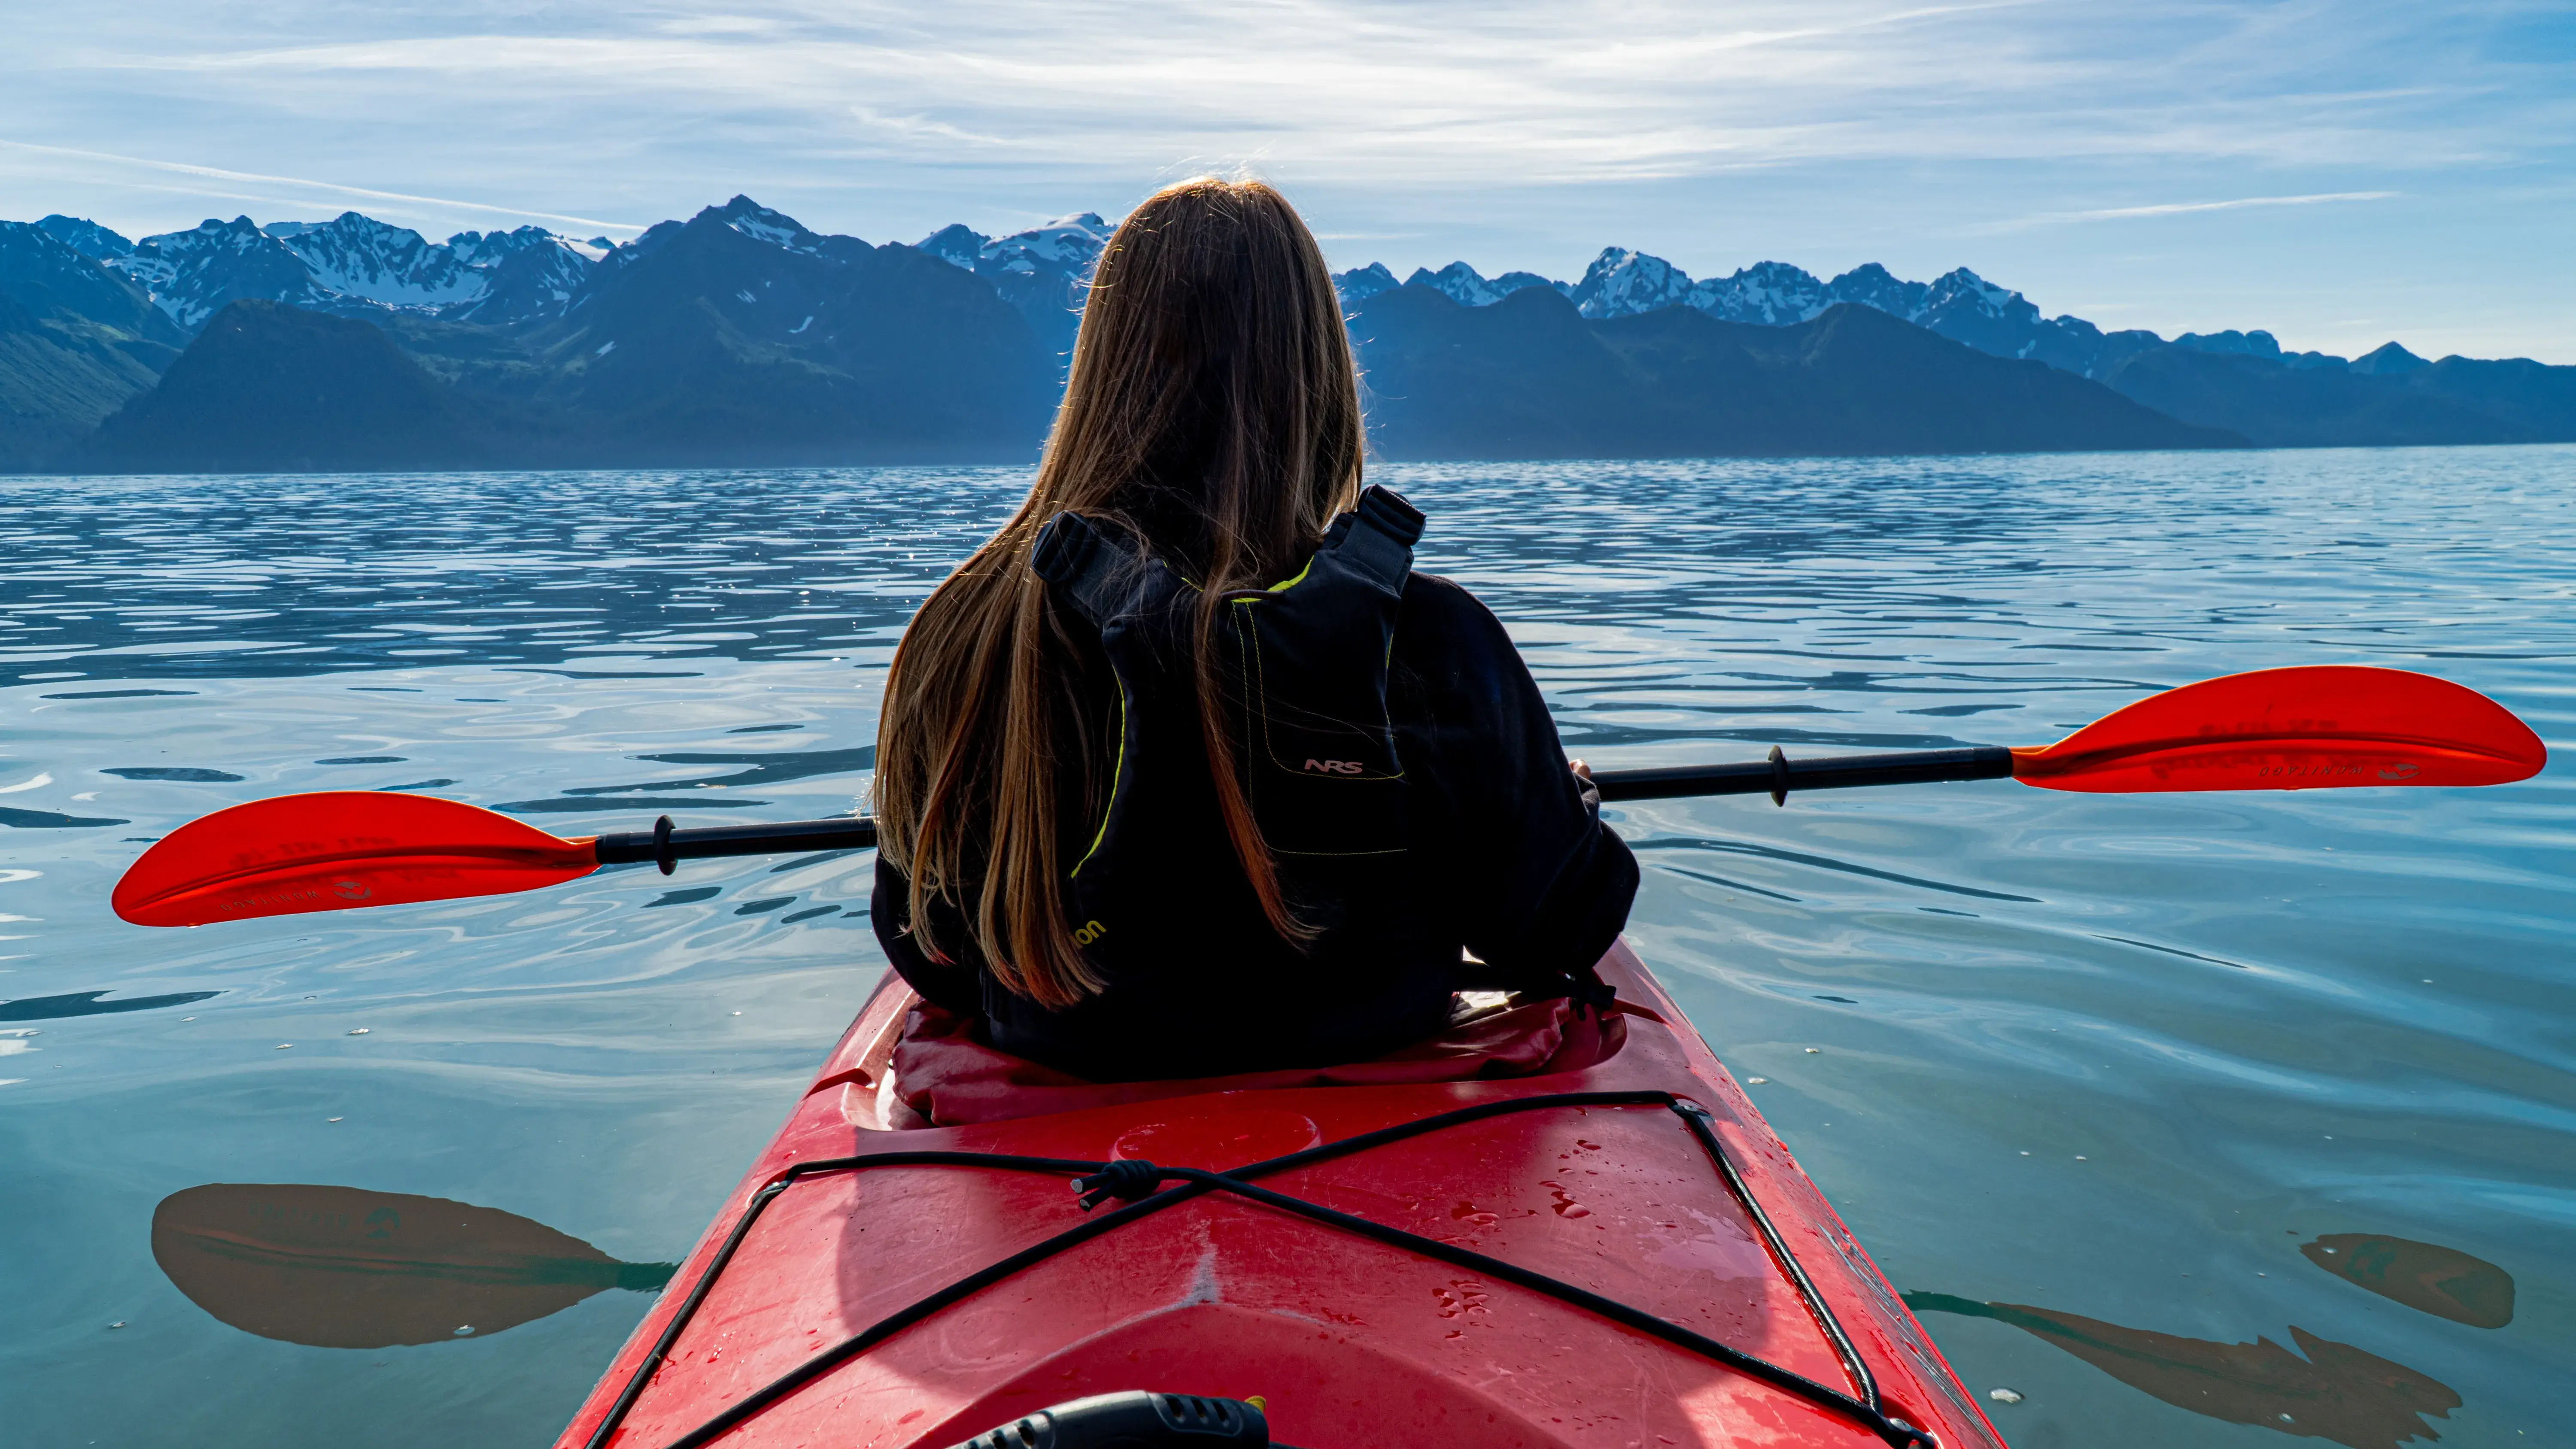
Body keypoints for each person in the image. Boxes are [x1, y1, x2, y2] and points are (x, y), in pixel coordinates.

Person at [870, 177, 1636, 1083]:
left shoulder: (968, 632)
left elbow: (932, 953)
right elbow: (1556, 929)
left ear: (1100, 372)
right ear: (1318, 374)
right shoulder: (1434, 640)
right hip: (1381, 1111)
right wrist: (1568, 803)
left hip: (1073, 1124)